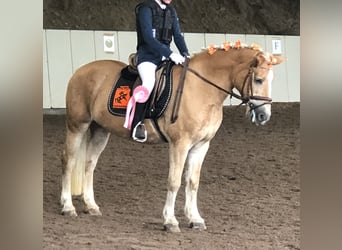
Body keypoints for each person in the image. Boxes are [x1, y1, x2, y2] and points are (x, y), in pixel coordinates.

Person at [125, 0, 190, 142]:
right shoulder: (145, 9)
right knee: (149, 82)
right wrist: (170, 54)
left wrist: (185, 54)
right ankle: (137, 124)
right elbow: (148, 37)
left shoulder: (171, 11)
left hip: (165, 57)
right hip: (147, 57)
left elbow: (178, 36)